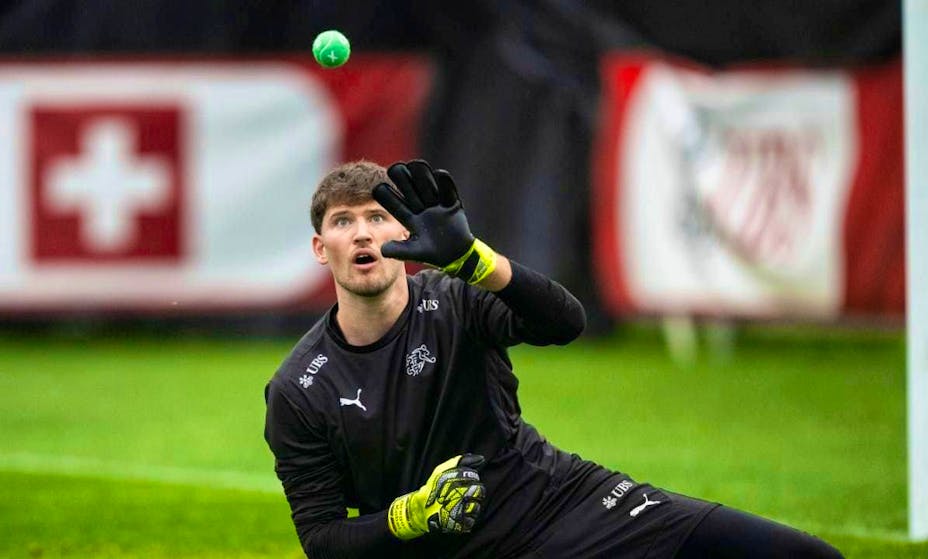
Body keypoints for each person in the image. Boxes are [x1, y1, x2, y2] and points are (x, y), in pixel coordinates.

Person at [263, 159, 844, 559]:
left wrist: (473, 258)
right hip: (439, 552)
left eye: (377, 217)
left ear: (406, 234)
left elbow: (564, 321)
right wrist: (407, 517)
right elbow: (322, 538)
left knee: (799, 554)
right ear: (322, 249)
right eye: (343, 221)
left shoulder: (458, 296)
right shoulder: (297, 389)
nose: (362, 233)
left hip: (556, 504)